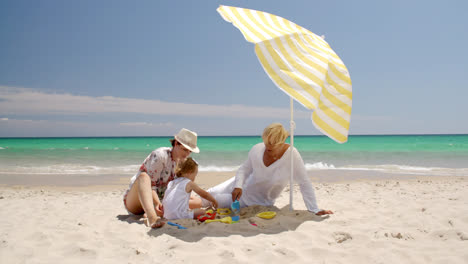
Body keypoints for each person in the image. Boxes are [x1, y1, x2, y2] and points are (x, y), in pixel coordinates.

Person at [204, 123, 333, 216]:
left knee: (211, 201)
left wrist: (314, 209)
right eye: (266, 143)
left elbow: (304, 182)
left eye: (271, 145)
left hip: (251, 201)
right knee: (206, 195)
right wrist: (238, 186)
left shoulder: (292, 156)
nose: (267, 147)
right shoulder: (257, 149)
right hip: (238, 186)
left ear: (282, 142)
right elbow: (244, 169)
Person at [123, 128, 200, 228]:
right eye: (184, 149)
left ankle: (156, 211)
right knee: (144, 177)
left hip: (162, 202)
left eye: (189, 151)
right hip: (137, 199)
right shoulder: (160, 155)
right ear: (176, 143)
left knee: (197, 201)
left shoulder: (185, 163)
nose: (186, 154)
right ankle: (152, 218)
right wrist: (157, 203)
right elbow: (151, 186)